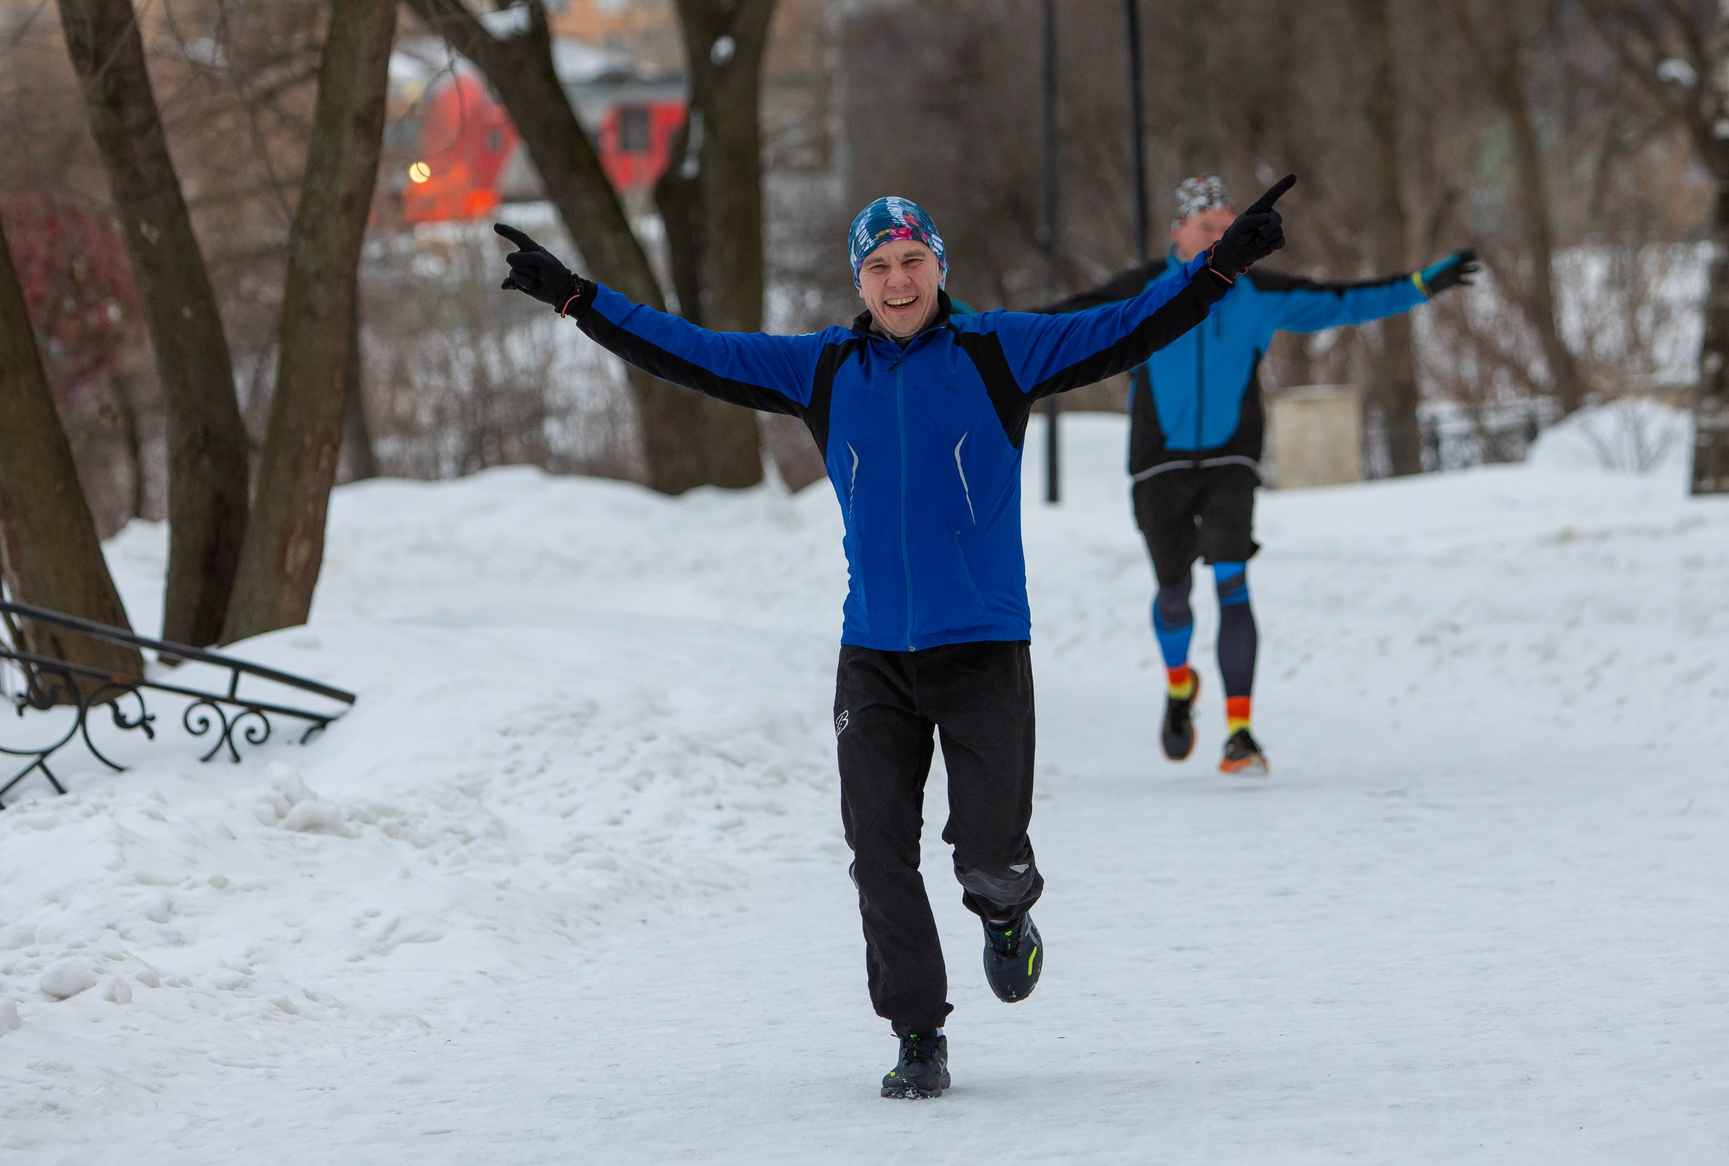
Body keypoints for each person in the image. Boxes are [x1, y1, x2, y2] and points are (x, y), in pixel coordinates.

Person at [496, 177, 1299, 1099]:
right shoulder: (823, 369)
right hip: (874, 651)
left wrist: (1221, 265)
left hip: (984, 645)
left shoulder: (1003, 349)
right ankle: (919, 1030)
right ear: (859, 281)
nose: (897, 280)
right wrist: (575, 297)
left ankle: (1006, 913)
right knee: (877, 849)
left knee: (988, 852)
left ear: (938, 267)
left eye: (912, 260)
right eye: (878, 267)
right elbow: (694, 351)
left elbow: (1132, 323)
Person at [1043, 176, 1478, 777]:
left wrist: (1421, 285)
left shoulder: (1259, 293)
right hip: (1158, 463)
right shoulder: (1143, 289)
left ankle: (1240, 732)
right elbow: (1058, 320)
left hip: (1230, 460)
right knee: (1173, 595)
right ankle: (1179, 685)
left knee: (1231, 582)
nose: (1223, 237)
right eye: (1209, 228)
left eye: (1229, 227)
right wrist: (966, 324)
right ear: (1178, 232)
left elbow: (1344, 302)